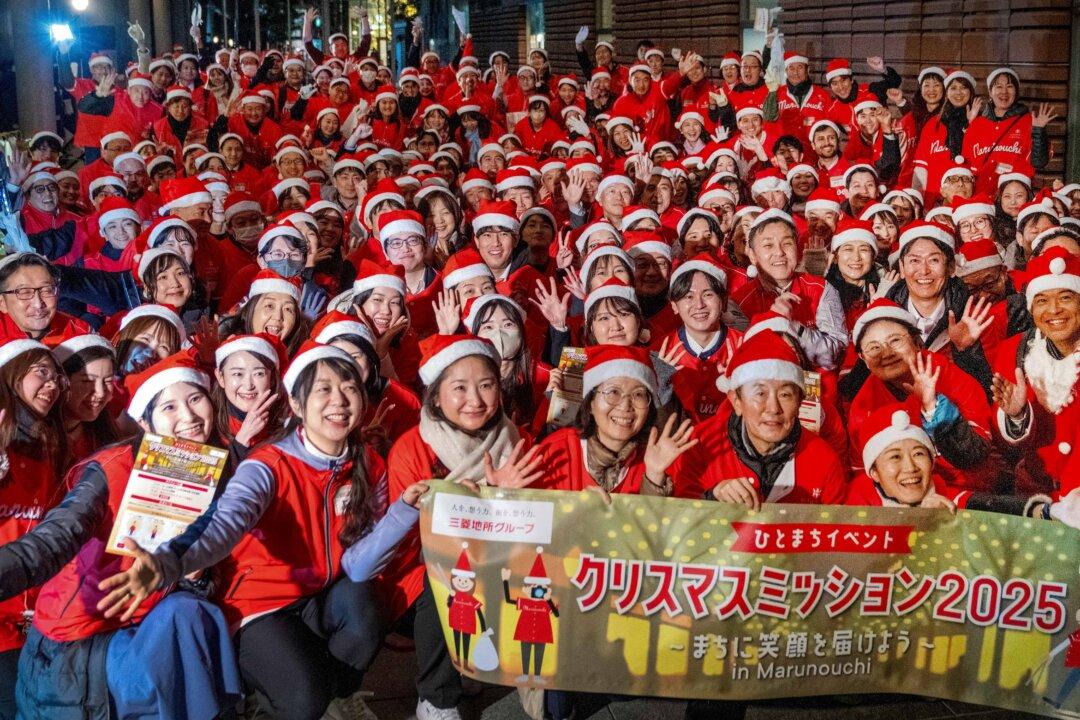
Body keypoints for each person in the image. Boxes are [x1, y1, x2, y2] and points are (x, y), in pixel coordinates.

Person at [0, 353, 241, 719]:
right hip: (79, 637)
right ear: (144, 420)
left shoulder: (213, 468)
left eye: (195, 399)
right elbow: (53, 539)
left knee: (192, 612)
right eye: (170, 407)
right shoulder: (111, 468)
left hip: (145, 626)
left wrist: (191, 573)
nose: (189, 417)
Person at [383, 334, 543, 720]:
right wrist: (484, 499)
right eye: (459, 388)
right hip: (422, 569)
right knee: (447, 578)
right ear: (435, 396)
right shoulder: (413, 447)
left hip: (500, 561)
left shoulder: (515, 440)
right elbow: (412, 537)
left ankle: (485, 663)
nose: (476, 399)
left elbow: (540, 524)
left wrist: (507, 500)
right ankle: (436, 698)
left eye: (486, 385)